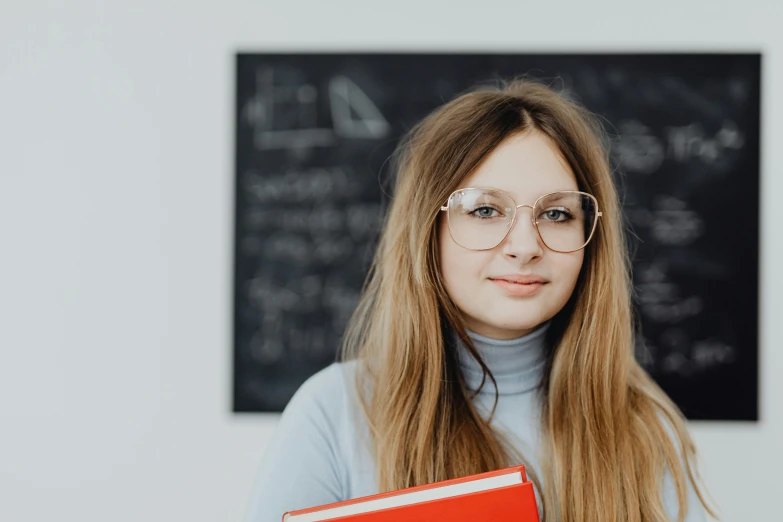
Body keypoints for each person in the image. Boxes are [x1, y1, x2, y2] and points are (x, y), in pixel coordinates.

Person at [243, 79, 717, 522]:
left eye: (556, 213)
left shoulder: (644, 427)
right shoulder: (334, 414)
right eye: (486, 210)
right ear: (430, 230)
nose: (526, 245)